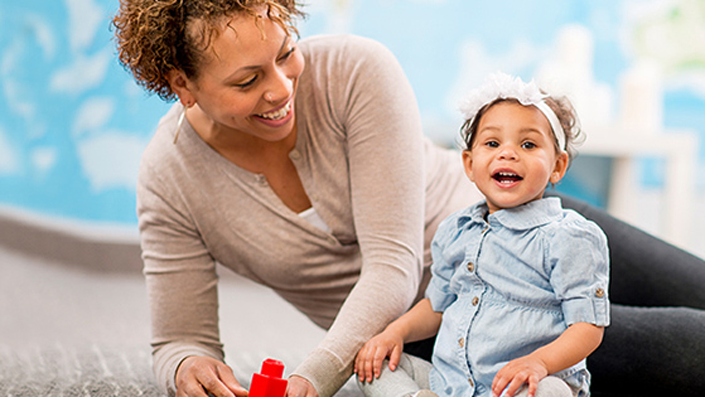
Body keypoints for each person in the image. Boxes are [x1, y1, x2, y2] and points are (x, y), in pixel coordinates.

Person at [111, 1, 705, 397]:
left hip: (540, 225)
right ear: (179, 83)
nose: (282, 88)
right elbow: (178, 339)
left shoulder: (354, 70)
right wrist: (190, 369)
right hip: (451, 328)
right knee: (686, 355)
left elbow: (391, 264)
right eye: (247, 80)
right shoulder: (170, 180)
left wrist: (312, 379)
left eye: (286, 52)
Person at [354, 73, 609, 397]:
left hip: (522, 386)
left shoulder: (569, 238)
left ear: (557, 166)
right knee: (375, 367)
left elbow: (588, 327)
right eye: (492, 143)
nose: (508, 153)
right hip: (451, 385)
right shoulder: (456, 231)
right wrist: (396, 332)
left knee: (551, 391)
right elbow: (437, 305)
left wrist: (539, 362)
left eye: (528, 144)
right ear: (470, 164)